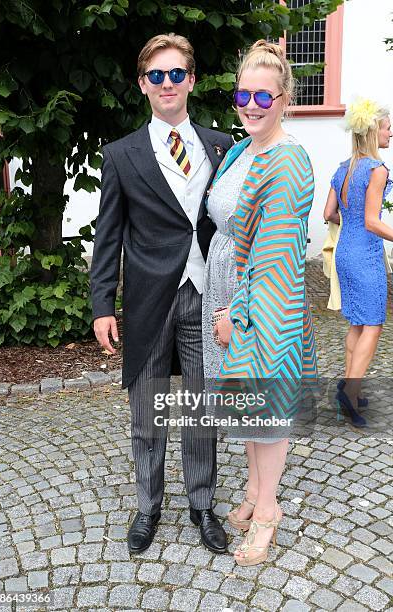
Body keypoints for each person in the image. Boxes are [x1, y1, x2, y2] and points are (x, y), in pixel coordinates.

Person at [90, 33, 232, 555]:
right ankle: (147, 508)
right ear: (142, 84)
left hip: (205, 295)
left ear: (191, 80)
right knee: (147, 410)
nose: (167, 83)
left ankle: (202, 505)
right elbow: (108, 237)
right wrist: (102, 304)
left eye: (176, 74)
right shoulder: (121, 155)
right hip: (150, 297)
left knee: (202, 408)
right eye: (157, 75)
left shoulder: (220, 146)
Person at [203, 40, 317, 567]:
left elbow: (274, 260)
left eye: (263, 97)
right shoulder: (242, 148)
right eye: (242, 94)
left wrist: (239, 316)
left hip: (266, 304)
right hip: (230, 287)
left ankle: (268, 510)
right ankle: (253, 490)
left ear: (284, 98)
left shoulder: (287, 160)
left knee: (265, 412)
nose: (251, 104)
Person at [324, 98, 392, 427]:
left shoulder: (343, 168)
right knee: (374, 324)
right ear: (372, 131)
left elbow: (328, 214)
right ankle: (350, 394)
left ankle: (350, 387)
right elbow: (372, 222)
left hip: (344, 252)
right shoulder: (377, 170)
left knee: (357, 323)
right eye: (387, 127)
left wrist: (347, 221)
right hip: (365, 253)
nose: (390, 133)